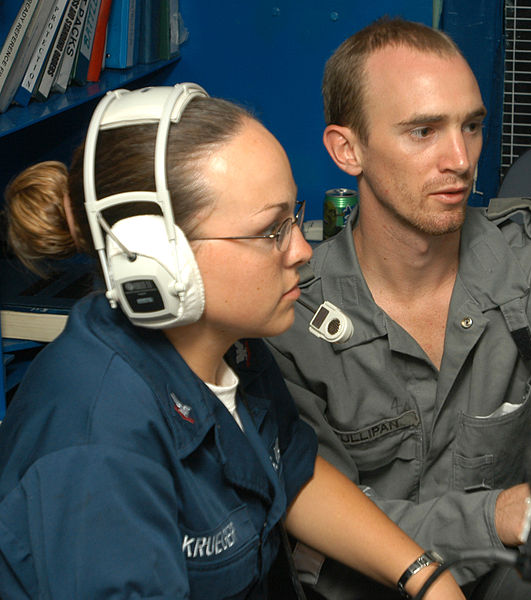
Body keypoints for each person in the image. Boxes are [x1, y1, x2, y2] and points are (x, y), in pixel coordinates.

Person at [0, 83, 466, 600]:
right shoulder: (95, 449)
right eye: (271, 231)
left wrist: (425, 575)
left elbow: (290, 468)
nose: (302, 250)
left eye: (294, 217)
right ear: (155, 259)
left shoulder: (230, 343)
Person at [265, 17, 531, 600]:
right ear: (348, 150)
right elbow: (319, 524)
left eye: (471, 127)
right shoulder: (289, 317)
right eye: (422, 131)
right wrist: (495, 516)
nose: (460, 159)